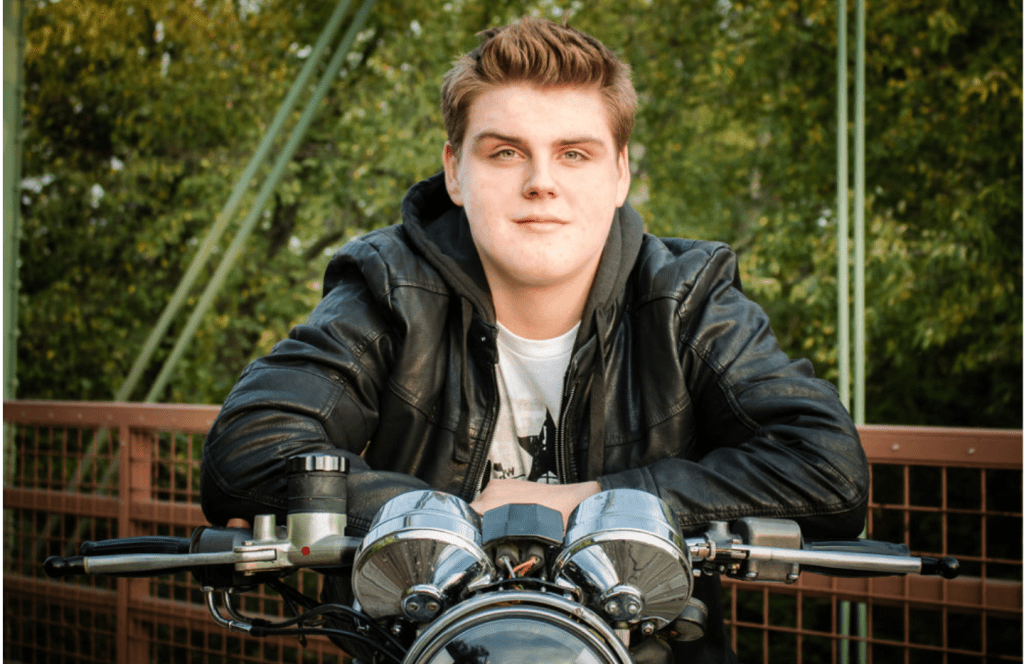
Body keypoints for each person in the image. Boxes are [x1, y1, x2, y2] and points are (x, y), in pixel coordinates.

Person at [201, 17, 868, 663]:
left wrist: (585, 499)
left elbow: (828, 470)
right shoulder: (389, 284)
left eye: (574, 154)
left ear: (620, 174)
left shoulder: (685, 297)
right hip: (425, 649)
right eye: (505, 152)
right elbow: (249, 450)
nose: (541, 182)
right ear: (455, 172)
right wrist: (457, 519)